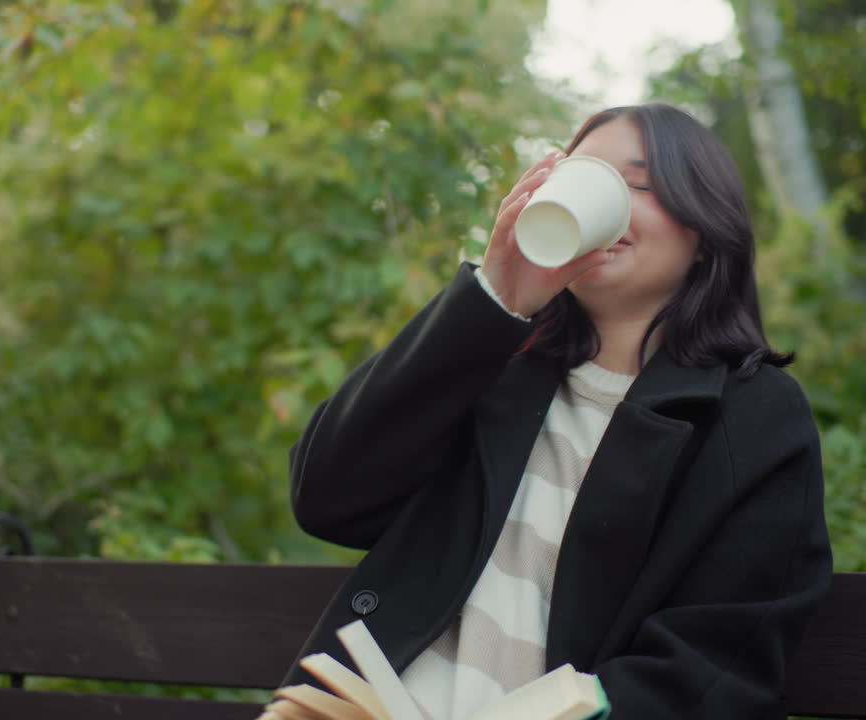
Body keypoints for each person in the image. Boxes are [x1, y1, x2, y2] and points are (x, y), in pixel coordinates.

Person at [281, 103, 833, 719]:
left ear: (704, 231)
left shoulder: (752, 416)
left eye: (640, 184)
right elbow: (328, 499)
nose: (608, 203)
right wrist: (494, 296)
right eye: (583, 179)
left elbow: (722, 655)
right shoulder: (492, 365)